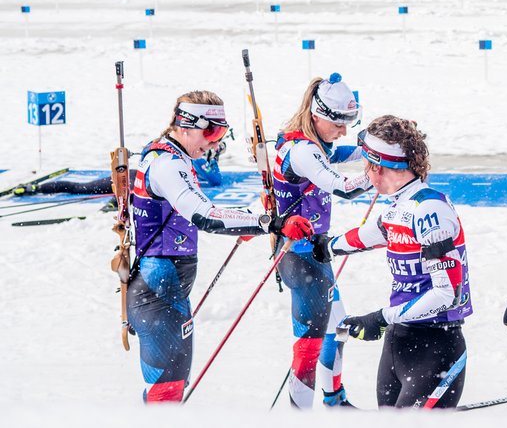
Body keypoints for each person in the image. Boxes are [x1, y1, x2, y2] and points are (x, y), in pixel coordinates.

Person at [127, 90, 314, 403]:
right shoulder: (168, 167)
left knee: (169, 389)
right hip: (158, 291)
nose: (215, 143)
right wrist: (269, 223)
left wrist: (244, 223)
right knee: (166, 392)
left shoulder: (169, 157)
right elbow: (206, 215)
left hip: (165, 289)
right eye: (211, 132)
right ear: (185, 124)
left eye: (222, 134)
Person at [329, 115, 471, 409]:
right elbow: (369, 234)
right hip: (399, 342)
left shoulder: (430, 210)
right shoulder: (400, 207)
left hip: (435, 346)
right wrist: (325, 246)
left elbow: (447, 294)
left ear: (377, 166)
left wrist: (380, 317)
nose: (365, 174)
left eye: (366, 167)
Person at [273, 74, 373, 409]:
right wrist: (385, 167)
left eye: (349, 123)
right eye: (338, 123)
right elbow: (342, 186)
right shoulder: (302, 151)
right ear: (317, 115)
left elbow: (336, 152)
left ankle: (334, 398)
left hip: (314, 253)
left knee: (338, 328)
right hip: (300, 257)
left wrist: (373, 148)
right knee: (309, 346)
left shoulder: (312, 142)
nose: (343, 130)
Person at [9, 142, 227, 198]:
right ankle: (34, 188)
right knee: (82, 188)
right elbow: (214, 179)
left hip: (138, 182)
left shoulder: (197, 157)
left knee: (82, 188)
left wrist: (213, 159)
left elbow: (214, 178)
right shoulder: (193, 157)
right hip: (135, 182)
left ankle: (33, 187)